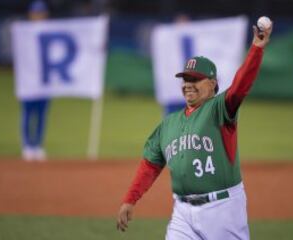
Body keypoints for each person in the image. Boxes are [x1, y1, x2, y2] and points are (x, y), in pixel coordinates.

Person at [116, 22, 273, 239]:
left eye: (195, 79)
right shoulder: (168, 124)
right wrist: (130, 199)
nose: (188, 84)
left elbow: (240, 85)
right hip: (182, 212)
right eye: (185, 79)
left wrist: (256, 48)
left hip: (223, 209)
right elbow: (150, 165)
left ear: (212, 84)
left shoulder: (219, 109)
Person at [20, 0, 50, 161]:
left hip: (44, 82)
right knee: (27, 112)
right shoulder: (23, 33)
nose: (39, 15)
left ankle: (37, 145)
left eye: (41, 12)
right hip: (28, 81)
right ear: (30, 14)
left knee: (42, 114)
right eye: (36, 12)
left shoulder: (50, 33)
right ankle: (27, 145)